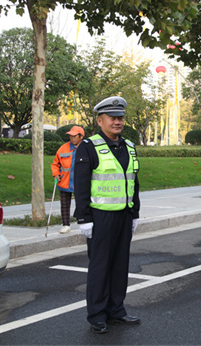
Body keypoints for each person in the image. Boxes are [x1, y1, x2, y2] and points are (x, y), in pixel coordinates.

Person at [74, 96, 141, 334]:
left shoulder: (129, 146)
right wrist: (83, 219)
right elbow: (80, 186)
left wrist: (135, 213)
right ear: (99, 120)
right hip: (100, 217)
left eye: (120, 117)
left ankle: (116, 310)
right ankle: (97, 315)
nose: (117, 122)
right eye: (112, 118)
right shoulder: (88, 147)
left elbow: (134, 182)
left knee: (120, 265)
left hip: (123, 215)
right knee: (100, 267)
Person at [50, 125, 84, 234]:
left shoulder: (86, 148)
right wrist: (56, 174)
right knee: (64, 204)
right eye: (70, 136)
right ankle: (65, 225)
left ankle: (84, 222)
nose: (72, 138)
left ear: (81, 136)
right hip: (64, 181)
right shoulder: (63, 148)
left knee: (82, 203)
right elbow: (55, 163)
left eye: (74, 136)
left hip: (81, 182)